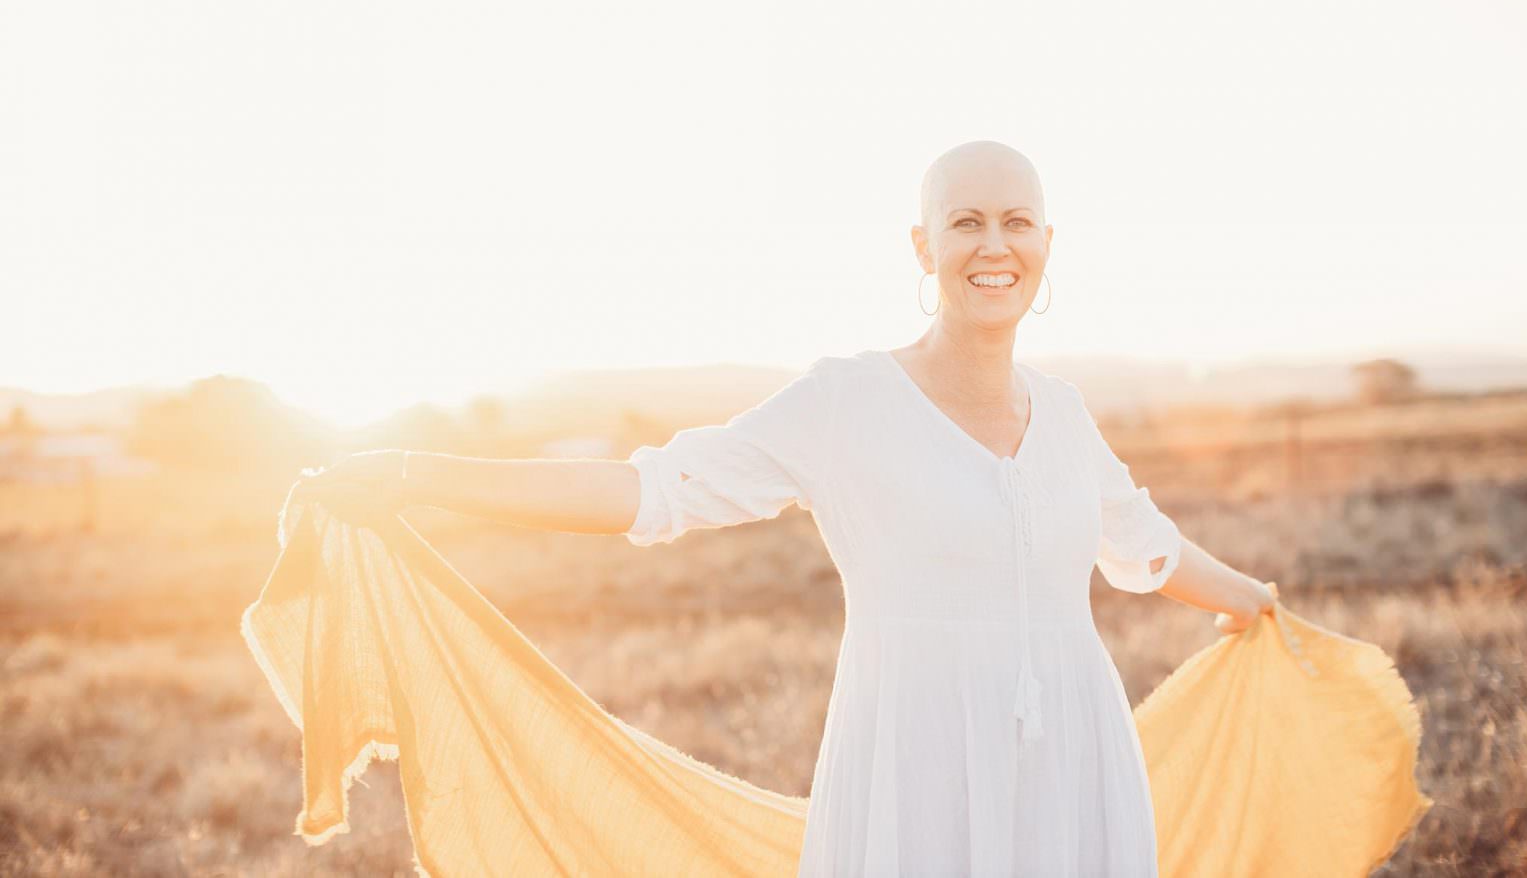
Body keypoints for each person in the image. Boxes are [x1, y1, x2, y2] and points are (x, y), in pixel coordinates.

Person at [297, 139, 1276, 875]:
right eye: (965, 220)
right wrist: (420, 471)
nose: (992, 244)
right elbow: (654, 489)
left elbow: (1142, 543)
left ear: (1047, 242)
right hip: (911, 761)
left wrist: (1250, 598)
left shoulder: (1062, 413)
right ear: (921, 244)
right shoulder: (846, 401)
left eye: (1016, 221)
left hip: (1072, 761)